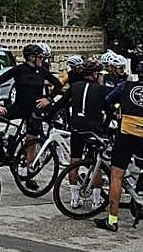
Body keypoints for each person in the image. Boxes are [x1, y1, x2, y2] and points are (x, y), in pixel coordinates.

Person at [94, 60, 143, 232]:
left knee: (117, 177)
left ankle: (112, 220)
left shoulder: (125, 86)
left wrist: (117, 110)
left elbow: (106, 102)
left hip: (125, 135)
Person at [45, 60, 109, 209]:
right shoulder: (102, 90)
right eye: (99, 74)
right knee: (95, 163)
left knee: (74, 161)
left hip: (76, 127)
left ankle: (74, 199)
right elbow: (110, 109)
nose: (100, 77)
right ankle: (96, 199)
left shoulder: (74, 86)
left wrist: (48, 116)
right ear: (94, 75)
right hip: (94, 129)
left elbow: (59, 103)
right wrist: (105, 125)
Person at [0, 43, 61, 163]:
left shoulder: (43, 71)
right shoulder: (19, 69)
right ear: (31, 57)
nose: (42, 60)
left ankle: (30, 173)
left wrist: (48, 99)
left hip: (35, 110)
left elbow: (58, 85)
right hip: (19, 106)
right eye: (39, 57)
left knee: (31, 141)